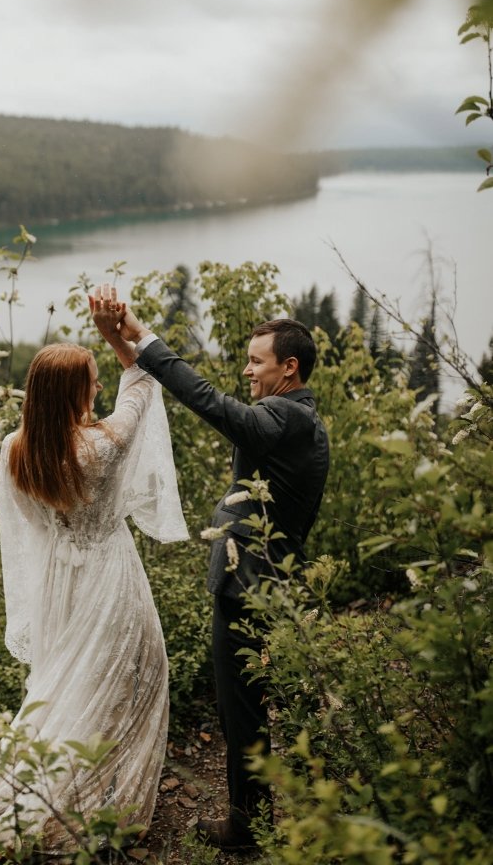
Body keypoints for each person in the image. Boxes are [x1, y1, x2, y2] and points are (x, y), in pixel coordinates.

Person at [0, 290, 188, 860]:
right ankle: (101, 803)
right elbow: (143, 381)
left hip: (57, 581)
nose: (98, 387)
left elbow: (27, 523)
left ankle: (57, 795)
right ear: (72, 392)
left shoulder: (14, 450)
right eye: (90, 382)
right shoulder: (103, 445)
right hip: (108, 575)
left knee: (66, 689)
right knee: (132, 679)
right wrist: (116, 332)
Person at [92, 299, 329, 851]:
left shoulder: (286, 417)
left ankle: (246, 828)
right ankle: (259, 816)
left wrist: (146, 338)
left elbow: (209, 402)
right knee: (245, 703)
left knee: (241, 709)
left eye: (256, 361)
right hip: (258, 581)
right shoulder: (293, 418)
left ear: (289, 367)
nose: (247, 371)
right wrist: (123, 343)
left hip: (251, 584)